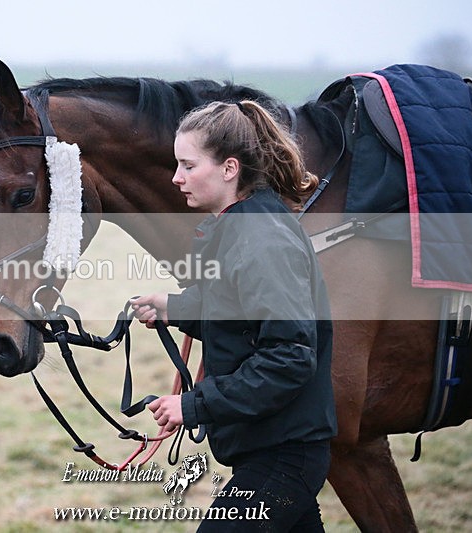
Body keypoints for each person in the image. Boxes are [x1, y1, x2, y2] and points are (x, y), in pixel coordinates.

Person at [132, 100, 337, 532]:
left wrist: (193, 405)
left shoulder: (262, 239)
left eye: (188, 165)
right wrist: (173, 308)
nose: (176, 177)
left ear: (229, 169)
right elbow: (239, 308)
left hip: (282, 452)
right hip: (272, 445)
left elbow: (290, 357)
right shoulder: (242, 226)